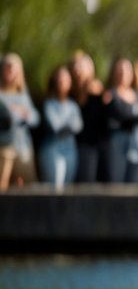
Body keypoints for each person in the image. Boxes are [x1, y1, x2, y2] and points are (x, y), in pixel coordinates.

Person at [102, 57, 138, 184]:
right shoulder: (109, 95)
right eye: (120, 70)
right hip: (116, 144)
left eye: (127, 70)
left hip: (136, 144)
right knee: (116, 180)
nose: (123, 74)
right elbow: (118, 115)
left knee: (135, 180)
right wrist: (134, 118)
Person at [0, 52, 41, 190]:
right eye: (8, 67)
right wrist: (15, 112)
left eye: (14, 67)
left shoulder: (23, 94)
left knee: (29, 186)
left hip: (23, 147)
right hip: (4, 147)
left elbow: (35, 118)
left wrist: (24, 114)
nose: (11, 70)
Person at [38, 65, 83, 192]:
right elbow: (56, 126)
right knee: (54, 188)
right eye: (60, 79)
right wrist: (69, 123)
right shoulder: (49, 103)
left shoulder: (73, 105)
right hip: (52, 150)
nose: (63, 83)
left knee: (67, 187)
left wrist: (67, 124)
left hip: (70, 149)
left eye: (66, 80)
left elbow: (78, 126)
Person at [70, 51, 107, 183]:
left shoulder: (96, 89)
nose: (77, 69)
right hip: (73, 145)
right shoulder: (70, 91)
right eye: (74, 66)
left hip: (91, 145)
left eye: (80, 66)